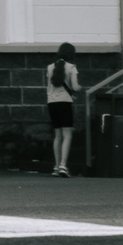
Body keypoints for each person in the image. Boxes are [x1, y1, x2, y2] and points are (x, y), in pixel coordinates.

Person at [45, 42, 80, 178]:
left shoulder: (50, 67)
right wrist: (80, 88)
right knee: (67, 135)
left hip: (52, 102)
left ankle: (56, 166)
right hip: (65, 102)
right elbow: (75, 87)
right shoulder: (71, 67)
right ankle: (63, 166)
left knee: (57, 135)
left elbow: (49, 86)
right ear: (71, 54)